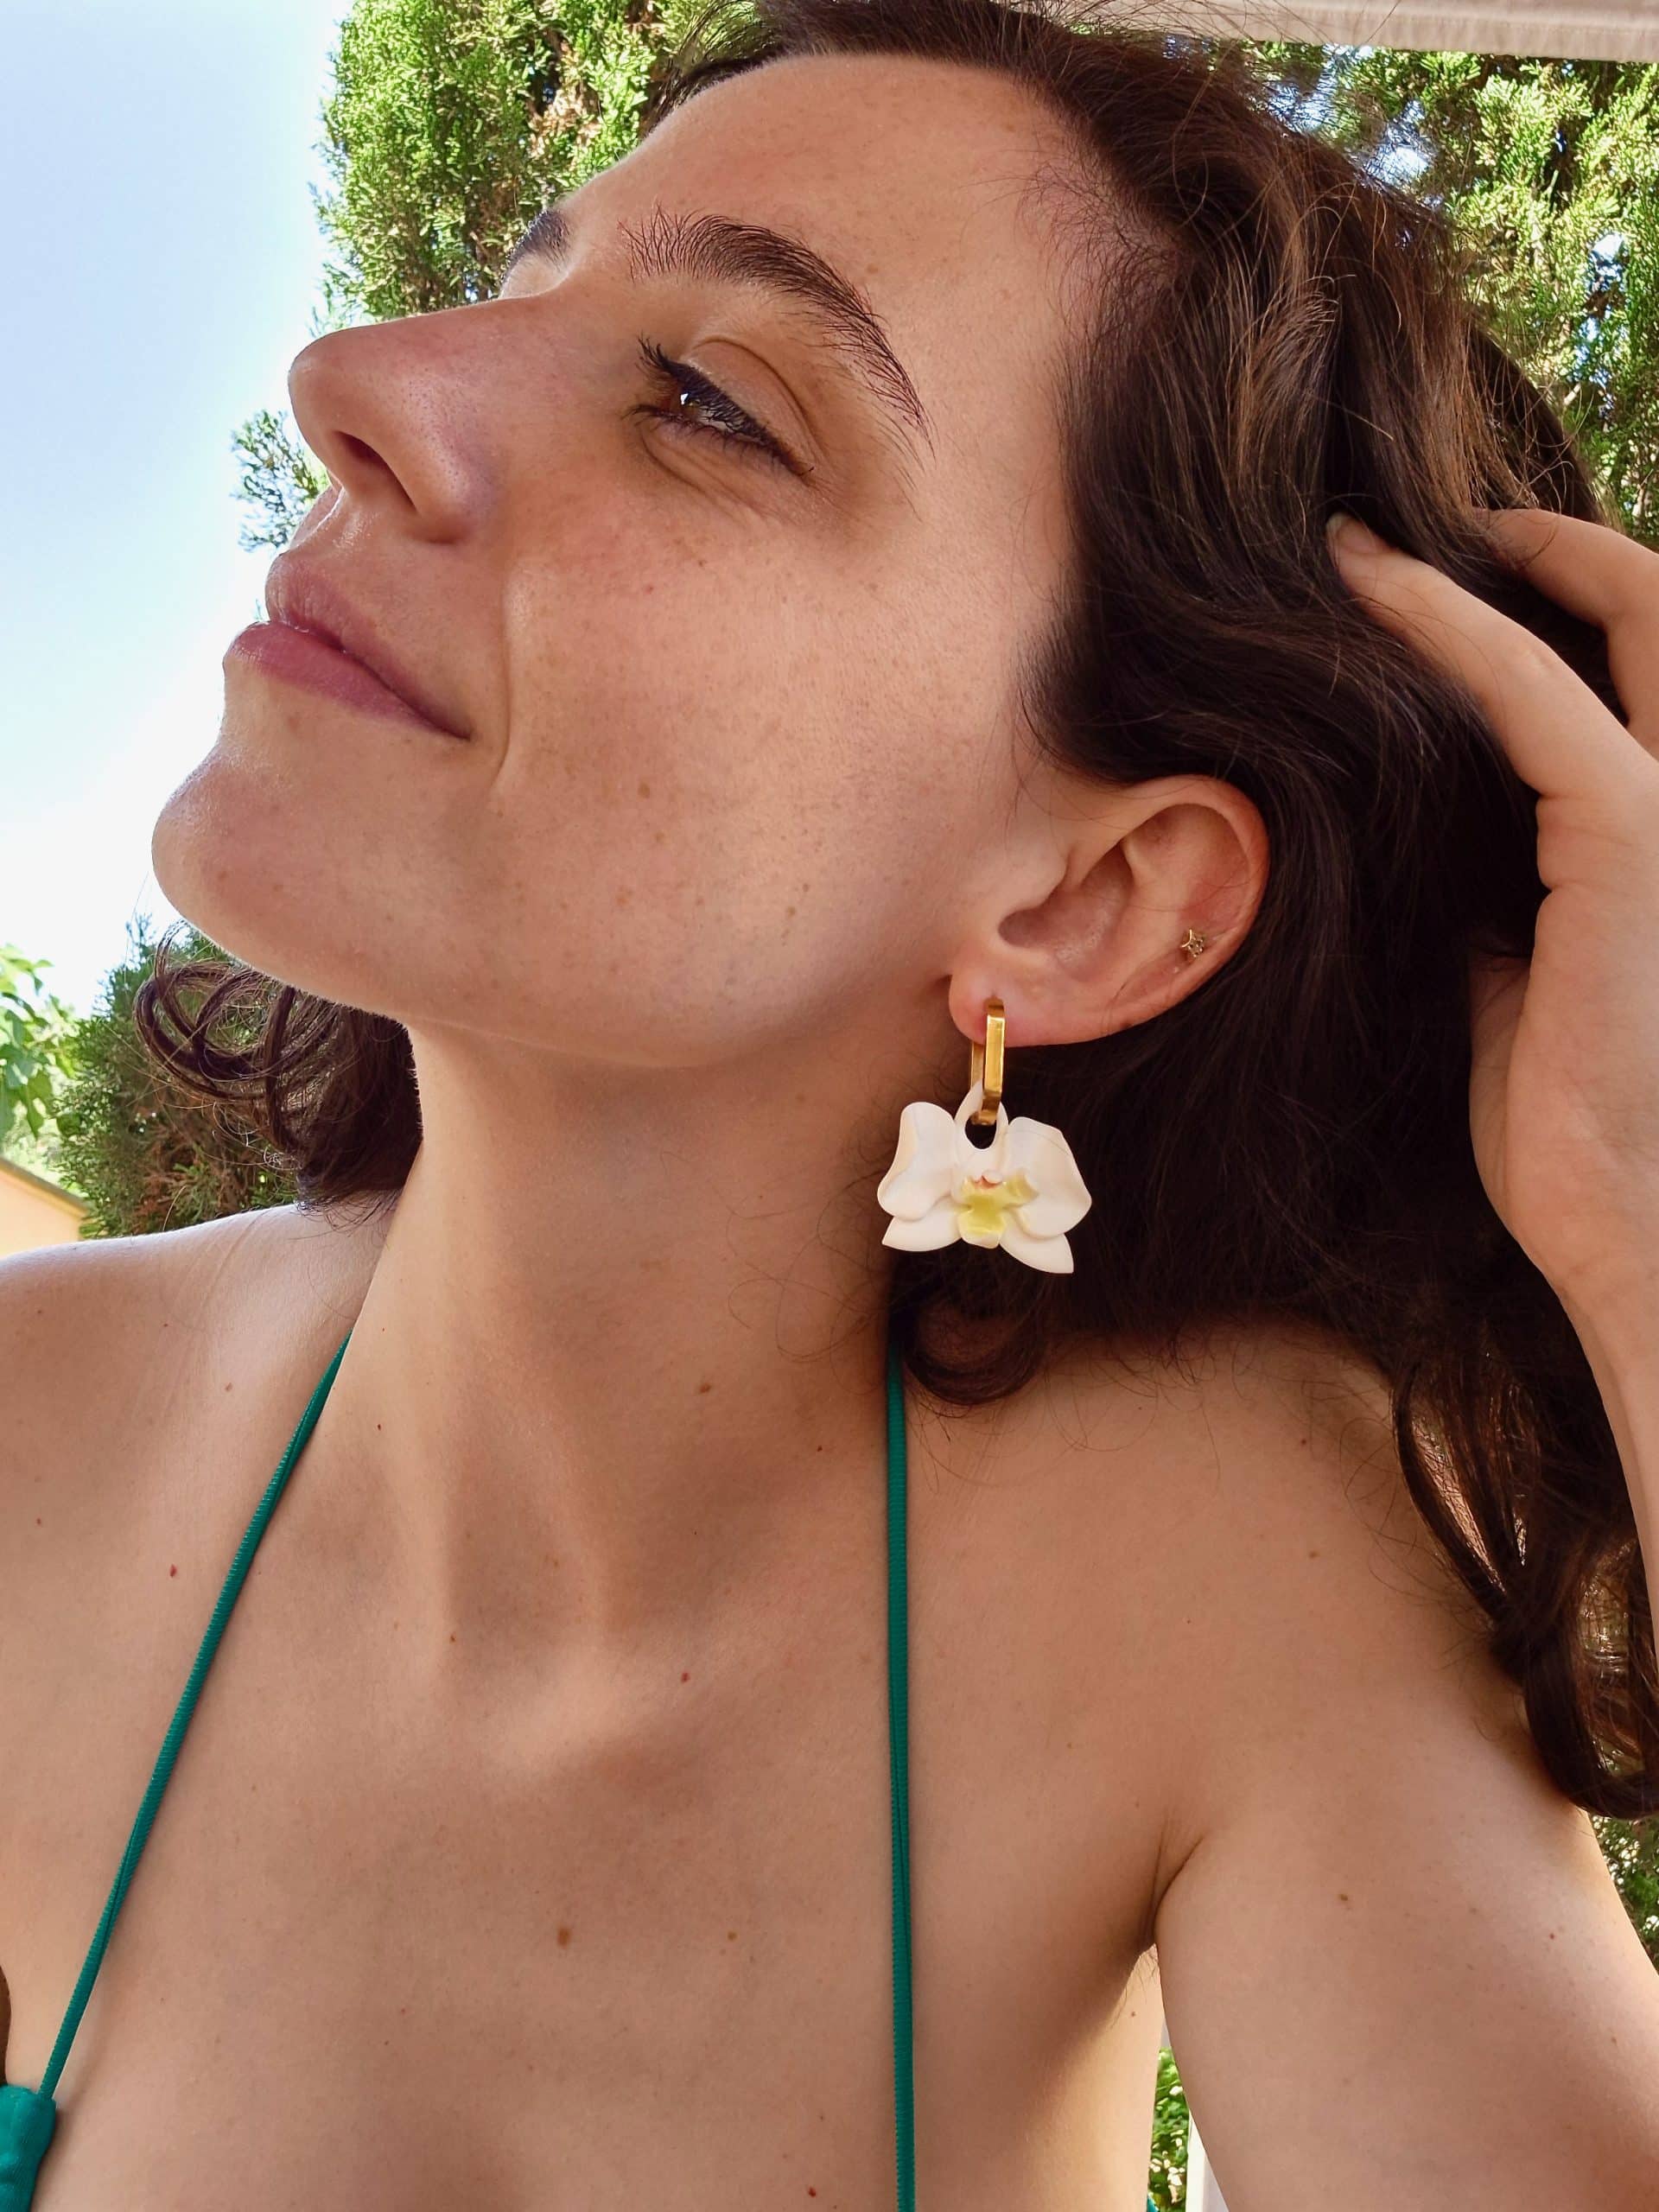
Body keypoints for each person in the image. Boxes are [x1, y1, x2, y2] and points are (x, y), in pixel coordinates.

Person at [3, 2, 1656, 2206]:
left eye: (710, 403)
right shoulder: (27, 1439)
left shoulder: (1238, 1588)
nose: (353, 377)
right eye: (515, 276)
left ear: (1088, 899)